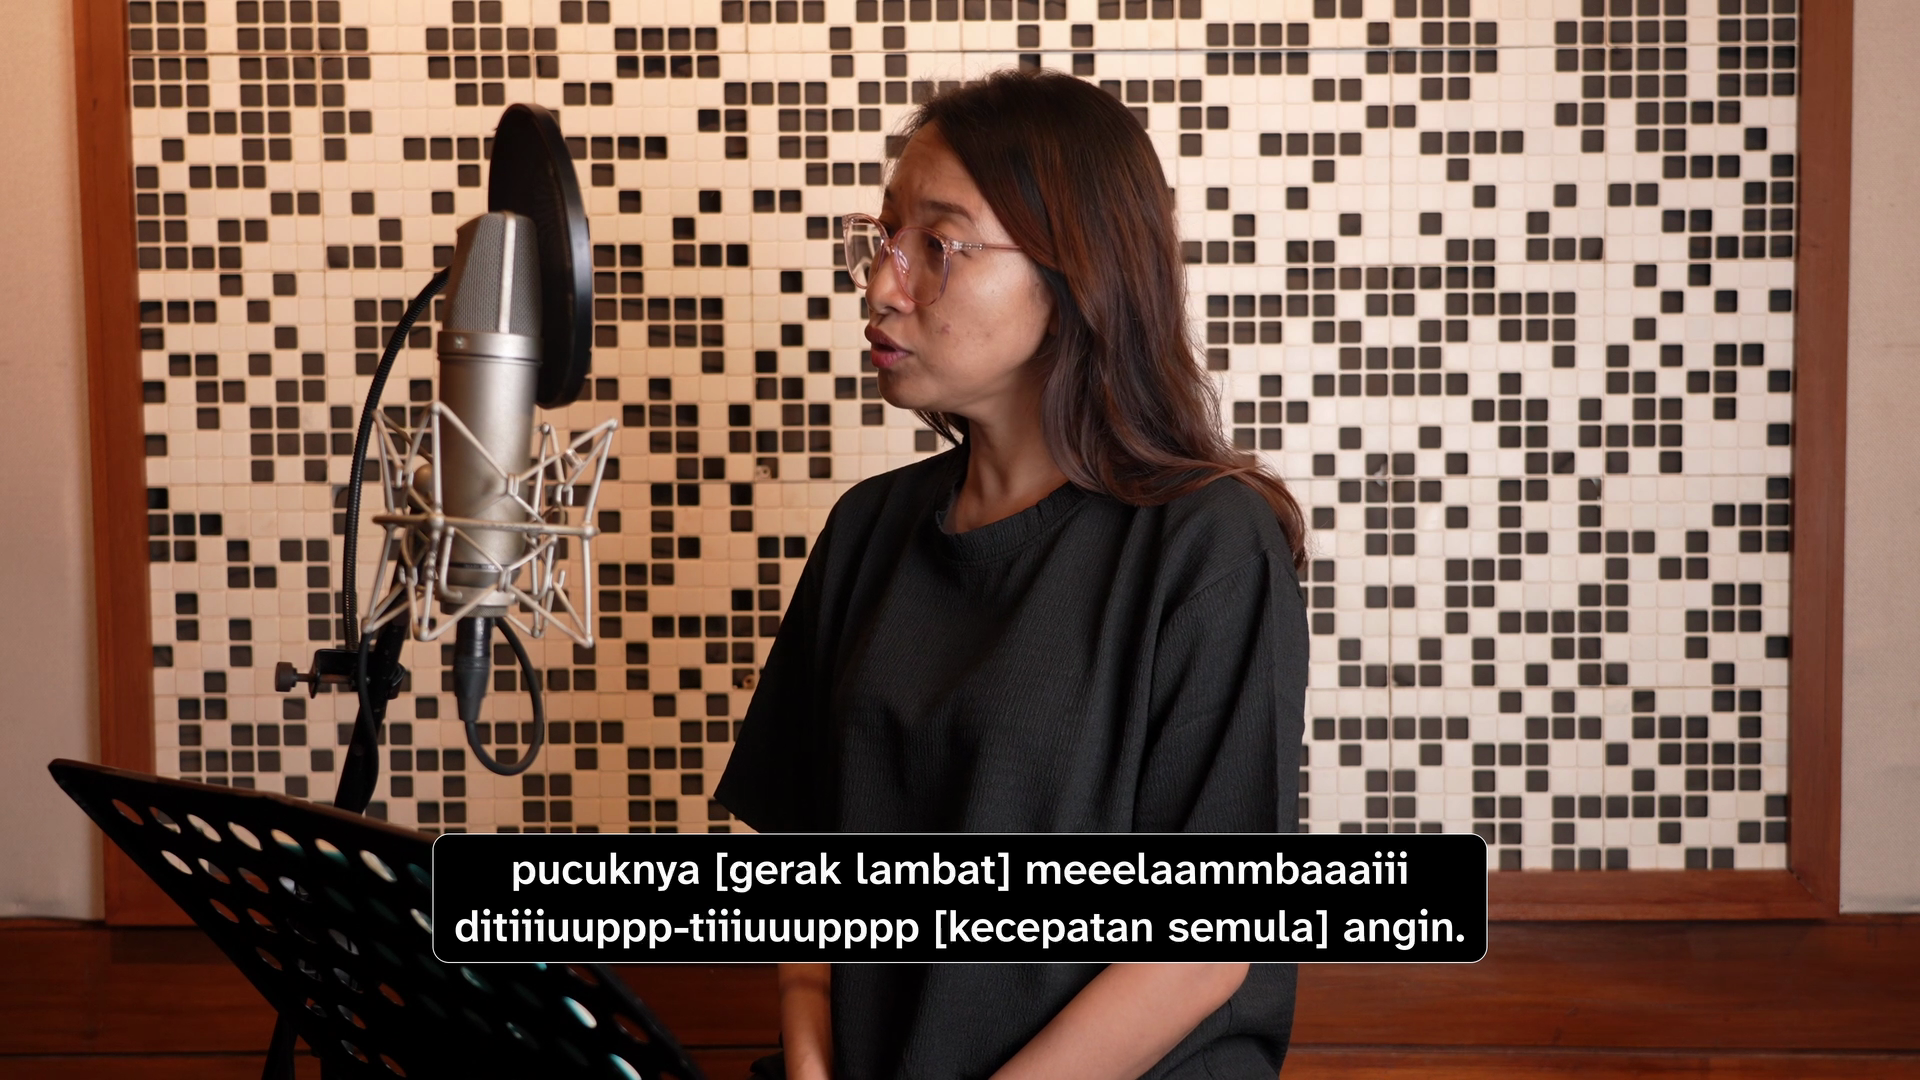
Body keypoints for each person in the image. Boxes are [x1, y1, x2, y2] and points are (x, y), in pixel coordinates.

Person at [714, 67, 1310, 1080]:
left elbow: (1201, 946)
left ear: (1077, 271)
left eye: (937, 246)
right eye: (885, 237)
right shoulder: (869, 531)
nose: (880, 283)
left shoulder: (1209, 546)